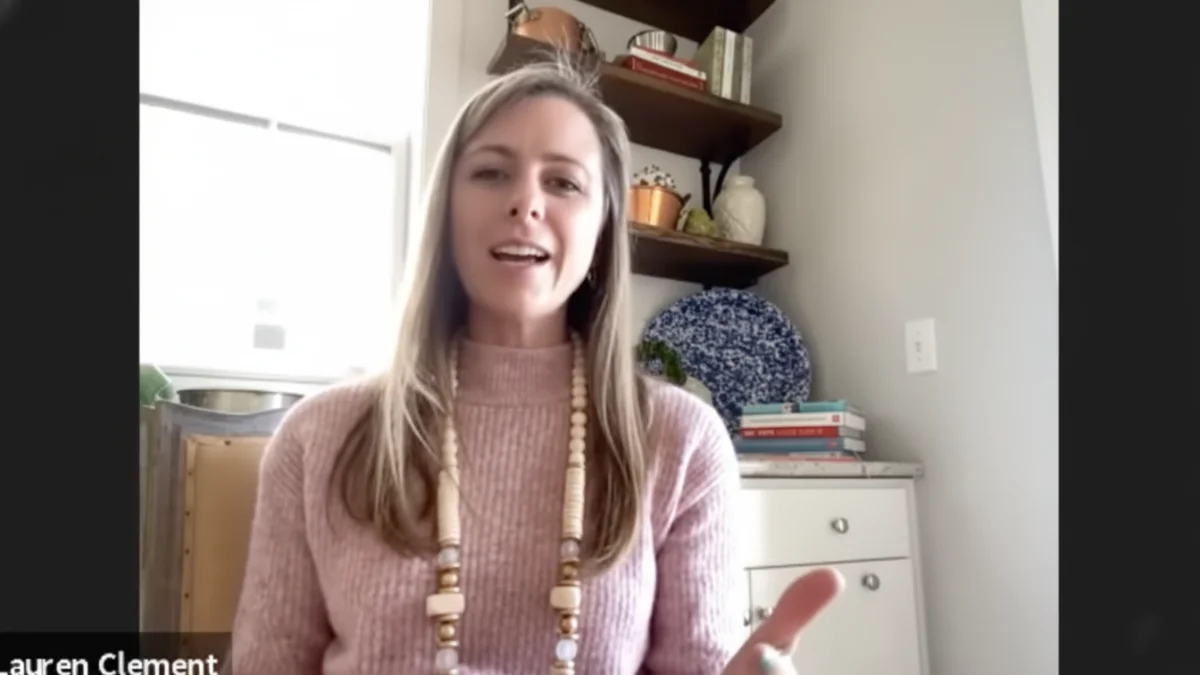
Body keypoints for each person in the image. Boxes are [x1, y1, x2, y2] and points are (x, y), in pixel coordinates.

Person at [228, 57, 843, 675]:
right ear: (445, 211)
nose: (525, 202)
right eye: (492, 172)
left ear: (602, 229)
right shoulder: (315, 439)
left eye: (565, 183)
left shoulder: (683, 441)